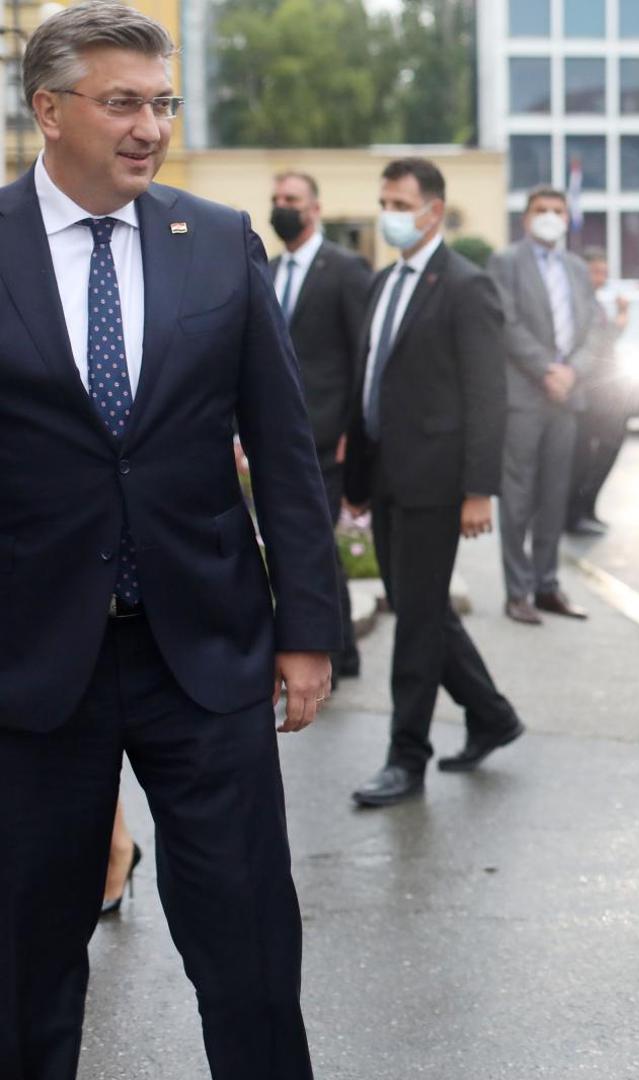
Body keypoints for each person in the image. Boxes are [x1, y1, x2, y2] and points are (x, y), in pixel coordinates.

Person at [0, 4, 341, 1077]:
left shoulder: (216, 242)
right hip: (29, 665)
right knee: (24, 963)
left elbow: (285, 453)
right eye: (121, 103)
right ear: (48, 110)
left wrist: (310, 631)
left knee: (246, 945)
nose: (148, 126)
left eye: (162, 103)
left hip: (204, 654)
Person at [345, 157, 523, 807]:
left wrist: (479, 490)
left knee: (416, 621)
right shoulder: (382, 282)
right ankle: (492, 714)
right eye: (383, 199)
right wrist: (356, 476)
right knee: (421, 608)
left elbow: (487, 394)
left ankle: (405, 756)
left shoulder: (465, 286)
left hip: (438, 481)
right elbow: (370, 381)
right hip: (386, 475)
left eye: (400, 202)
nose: (388, 212)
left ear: (433, 211)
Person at [268, 169, 373, 685]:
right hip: (277, 438)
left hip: (330, 436)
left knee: (314, 541)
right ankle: (341, 649)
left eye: (291, 199)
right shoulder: (265, 269)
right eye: (276, 198)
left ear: (315, 208)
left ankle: (336, 651)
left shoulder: (346, 268)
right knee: (307, 542)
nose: (281, 206)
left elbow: (364, 354)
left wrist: (358, 428)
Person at [490, 186, 607, 624]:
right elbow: (507, 322)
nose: (550, 216)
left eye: (557, 210)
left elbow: (593, 329)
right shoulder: (506, 263)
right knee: (517, 496)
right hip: (524, 396)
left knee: (555, 495)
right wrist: (546, 370)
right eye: (541, 210)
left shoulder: (577, 268)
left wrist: (571, 371)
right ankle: (516, 591)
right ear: (526, 218)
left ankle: (547, 585)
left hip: (567, 397)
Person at [565, 246, 631, 536]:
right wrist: (619, 322)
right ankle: (575, 512)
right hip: (587, 393)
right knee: (586, 456)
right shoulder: (577, 304)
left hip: (604, 392)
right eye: (596, 271)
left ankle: (587, 507)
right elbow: (594, 346)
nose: (601, 277)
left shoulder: (595, 303)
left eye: (605, 271)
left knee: (607, 447)